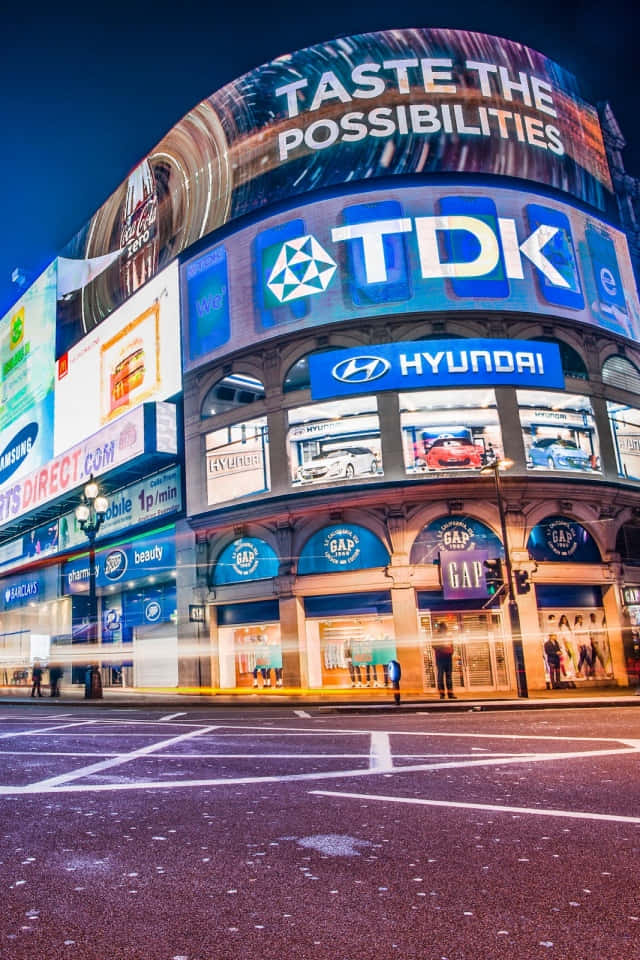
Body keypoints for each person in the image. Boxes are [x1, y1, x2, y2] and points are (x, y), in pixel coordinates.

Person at [433, 622, 456, 700]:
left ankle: (450, 693)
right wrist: (444, 649)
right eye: (444, 628)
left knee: (448, 676)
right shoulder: (436, 636)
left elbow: (452, 645)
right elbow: (434, 646)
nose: (445, 630)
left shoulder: (448, 636)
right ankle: (442, 694)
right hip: (440, 658)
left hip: (447, 657)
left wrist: (451, 651)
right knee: (441, 676)